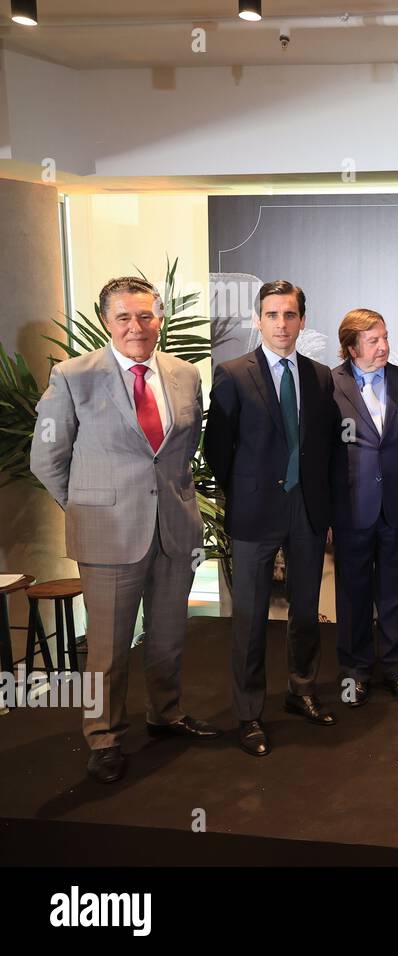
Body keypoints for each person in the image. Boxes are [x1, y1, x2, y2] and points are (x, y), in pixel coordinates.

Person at [31, 276, 219, 783]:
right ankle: (105, 738)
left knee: (168, 636)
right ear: (105, 322)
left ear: (160, 318)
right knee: (110, 648)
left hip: (174, 530)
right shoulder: (73, 376)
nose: (137, 327)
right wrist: (87, 507)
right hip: (108, 533)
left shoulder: (184, 375)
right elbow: (47, 458)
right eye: (124, 317)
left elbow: (183, 450)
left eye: (146, 316)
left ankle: (166, 714)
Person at [206, 280, 340, 758]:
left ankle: (302, 690)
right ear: (258, 320)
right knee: (250, 619)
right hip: (254, 515)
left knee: (305, 612)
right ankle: (249, 713)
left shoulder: (321, 376)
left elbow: (326, 450)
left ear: (303, 320)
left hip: (306, 513)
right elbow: (217, 450)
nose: (281, 324)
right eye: (272, 315)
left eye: (290, 314)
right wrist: (245, 496)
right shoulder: (233, 373)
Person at [329, 309, 398, 708]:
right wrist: (329, 513)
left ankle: (397, 669)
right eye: (373, 340)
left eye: (385, 337)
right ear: (352, 347)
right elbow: (324, 455)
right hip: (350, 510)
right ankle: (355, 673)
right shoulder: (328, 385)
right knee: (352, 594)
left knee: (396, 591)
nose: (383, 346)